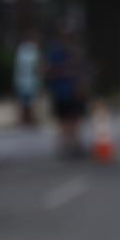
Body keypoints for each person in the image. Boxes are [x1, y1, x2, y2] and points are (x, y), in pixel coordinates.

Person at [43, 24, 88, 157]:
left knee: (75, 118)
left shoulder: (76, 51)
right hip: (61, 91)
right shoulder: (55, 52)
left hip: (74, 91)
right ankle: (67, 145)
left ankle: (75, 144)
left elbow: (81, 72)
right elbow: (48, 71)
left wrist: (82, 86)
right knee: (64, 119)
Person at [13, 30, 40, 125]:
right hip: (26, 81)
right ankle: (27, 119)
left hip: (27, 81)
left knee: (28, 102)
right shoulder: (29, 49)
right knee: (27, 102)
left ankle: (27, 119)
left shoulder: (25, 49)